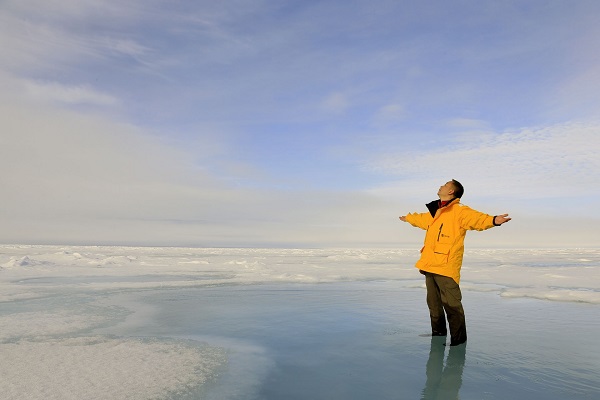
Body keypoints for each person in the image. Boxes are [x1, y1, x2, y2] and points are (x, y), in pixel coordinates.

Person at [399, 180, 511, 346]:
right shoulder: (436, 212)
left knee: (452, 305)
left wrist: (493, 220)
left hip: (446, 265)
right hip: (430, 264)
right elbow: (421, 219)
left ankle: (458, 341)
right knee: (433, 304)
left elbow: (477, 219)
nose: (441, 186)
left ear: (451, 191)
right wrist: (408, 218)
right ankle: (438, 334)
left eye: (445, 184)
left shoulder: (459, 211)